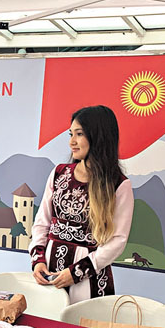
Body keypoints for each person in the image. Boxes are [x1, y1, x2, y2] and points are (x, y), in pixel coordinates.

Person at [29, 105, 134, 303]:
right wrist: (38, 261)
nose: (72, 142)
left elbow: (117, 241)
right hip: (49, 271)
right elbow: (42, 222)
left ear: (98, 137)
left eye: (79, 134)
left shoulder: (118, 185)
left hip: (89, 278)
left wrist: (77, 272)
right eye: (70, 134)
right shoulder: (59, 173)